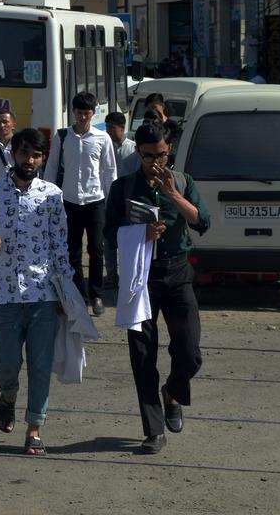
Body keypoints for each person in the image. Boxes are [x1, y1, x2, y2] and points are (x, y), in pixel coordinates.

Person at [104, 121, 210, 455]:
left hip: (178, 274)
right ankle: (153, 430)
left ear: (169, 151)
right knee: (142, 357)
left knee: (190, 351)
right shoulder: (122, 188)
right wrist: (139, 234)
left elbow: (202, 222)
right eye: (148, 156)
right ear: (138, 153)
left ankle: (173, 393)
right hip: (141, 278)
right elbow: (108, 234)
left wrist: (173, 196)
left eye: (161, 155)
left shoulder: (183, 181)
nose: (155, 163)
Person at [0, 128, 74, 456]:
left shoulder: (52, 195)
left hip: (43, 294)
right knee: (7, 363)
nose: (29, 160)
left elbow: (61, 246)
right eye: (24, 154)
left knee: (40, 364)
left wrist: (67, 294)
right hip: (5, 294)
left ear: (42, 158)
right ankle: (8, 396)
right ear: (13, 154)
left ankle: (34, 428)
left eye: (36, 155)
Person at [43, 92, 117, 316]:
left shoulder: (102, 138)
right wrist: (46, 197)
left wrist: (110, 200)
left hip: (95, 201)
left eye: (87, 113)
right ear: (73, 113)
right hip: (69, 201)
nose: (83, 117)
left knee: (96, 249)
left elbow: (109, 171)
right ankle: (79, 295)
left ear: (93, 113)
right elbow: (52, 167)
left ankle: (96, 295)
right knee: (72, 251)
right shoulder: (62, 137)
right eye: (79, 113)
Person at [104, 112, 137, 288]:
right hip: (109, 201)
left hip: (128, 202)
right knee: (109, 239)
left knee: (126, 240)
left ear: (122, 128)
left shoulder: (133, 150)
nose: (109, 131)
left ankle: (127, 273)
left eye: (112, 128)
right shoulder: (104, 146)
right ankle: (111, 275)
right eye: (107, 127)